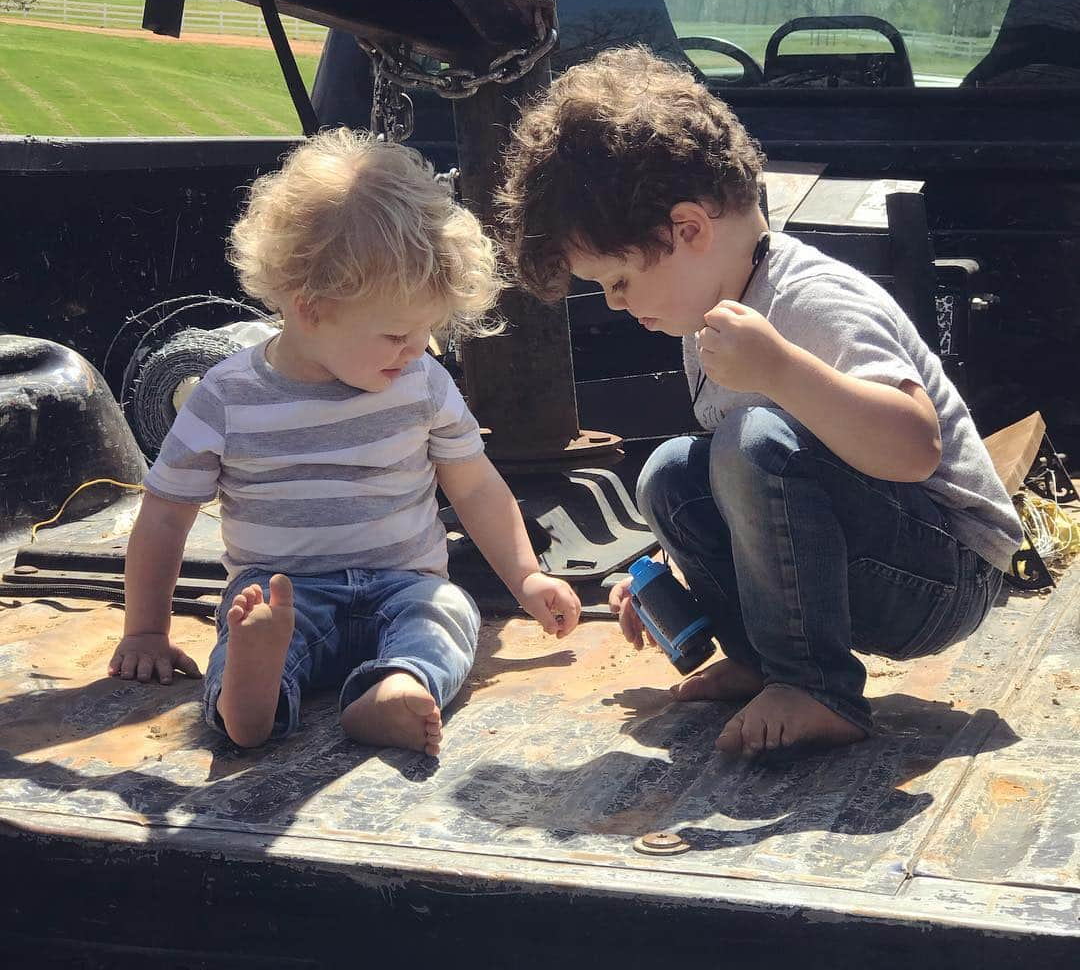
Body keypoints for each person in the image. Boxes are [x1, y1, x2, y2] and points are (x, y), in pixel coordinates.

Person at [497, 46, 1021, 758]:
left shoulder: (811, 300)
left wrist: (781, 370)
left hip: (945, 572)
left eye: (618, 282)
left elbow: (915, 447)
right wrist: (676, 581)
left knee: (753, 441)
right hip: (865, 557)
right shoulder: (706, 315)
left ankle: (816, 686)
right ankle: (763, 660)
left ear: (688, 230)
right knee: (674, 472)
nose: (619, 307)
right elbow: (752, 498)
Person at [108, 128, 581, 754]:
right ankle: (251, 697)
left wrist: (526, 577)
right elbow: (165, 517)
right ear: (310, 309)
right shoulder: (225, 397)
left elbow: (476, 486)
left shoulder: (421, 383)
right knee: (251, 627)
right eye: (394, 335)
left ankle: (394, 689)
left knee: (445, 612)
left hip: (404, 585)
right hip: (284, 594)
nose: (414, 349)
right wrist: (145, 630)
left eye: (427, 333)